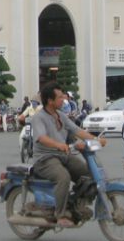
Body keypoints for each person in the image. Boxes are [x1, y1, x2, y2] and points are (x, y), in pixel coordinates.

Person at [30, 81, 106, 228]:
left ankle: (75, 205)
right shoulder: (39, 117)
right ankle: (60, 215)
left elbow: (78, 131)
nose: (63, 100)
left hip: (63, 155)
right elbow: (41, 137)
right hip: (45, 159)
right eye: (59, 97)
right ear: (50, 101)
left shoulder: (61, 115)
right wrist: (58, 144)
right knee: (63, 177)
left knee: (89, 174)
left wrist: (96, 139)